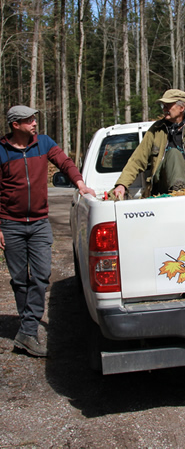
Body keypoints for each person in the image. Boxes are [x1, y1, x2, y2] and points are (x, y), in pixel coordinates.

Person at [0, 105, 95, 357]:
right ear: (15, 125)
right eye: (29, 120)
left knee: (41, 275)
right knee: (20, 279)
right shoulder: (1, 151)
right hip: (10, 224)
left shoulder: (43, 143)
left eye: (34, 118)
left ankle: (27, 330)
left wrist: (80, 183)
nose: (34, 123)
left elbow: (64, 162)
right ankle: (28, 332)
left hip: (40, 222)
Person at [113, 89, 185, 199]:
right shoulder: (156, 129)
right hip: (164, 180)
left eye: (168, 106)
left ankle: (184, 190)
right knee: (174, 154)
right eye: (163, 106)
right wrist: (122, 184)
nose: (164, 109)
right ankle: (180, 191)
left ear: (182, 108)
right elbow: (137, 159)